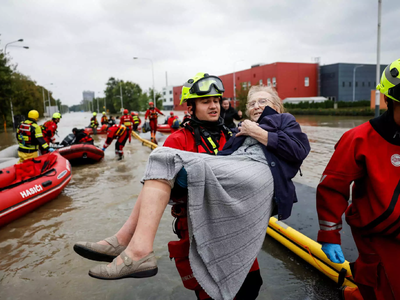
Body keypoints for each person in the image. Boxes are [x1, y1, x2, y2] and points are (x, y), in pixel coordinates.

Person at [74, 77, 310, 299]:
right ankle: (126, 241)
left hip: (233, 222)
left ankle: (125, 241)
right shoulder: (178, 139)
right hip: (196, 227)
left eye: (217, 100)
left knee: (249, 284)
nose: (214, 106)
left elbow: (286, 154)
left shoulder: (233, 133)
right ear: (191, 108)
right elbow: (161, 191)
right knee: (210, 291)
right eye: (206, 101)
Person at [316, 58, 400, 300]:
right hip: (378, 239)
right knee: (382, 289)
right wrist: (330, 235)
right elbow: (332, 187)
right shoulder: (359, 139)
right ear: (390, 100)